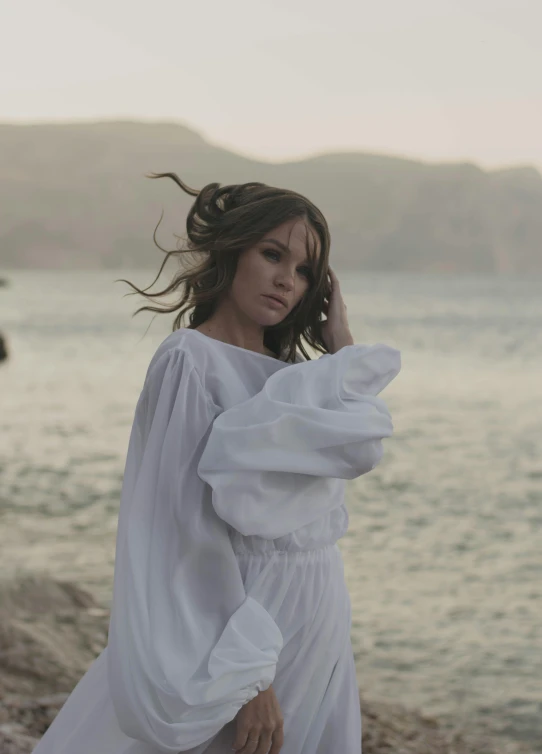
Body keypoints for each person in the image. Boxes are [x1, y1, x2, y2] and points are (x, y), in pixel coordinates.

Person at [33, 173, 401, 754]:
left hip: (317, 612)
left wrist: (342, 345)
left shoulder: (294, 380)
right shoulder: (189, 361)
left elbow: (362, 443)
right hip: (245, 621)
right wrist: (246, 677)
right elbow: (180, 530)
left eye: (305, 271)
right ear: (232, 251)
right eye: (272, 254)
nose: (287, 279)